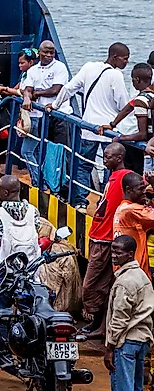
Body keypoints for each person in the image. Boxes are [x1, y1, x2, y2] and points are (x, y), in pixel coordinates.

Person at [58, 43, 133, 198]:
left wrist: (53, 105)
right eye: (124, 59)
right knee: (111, 167)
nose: (126, 62)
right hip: (109, 129)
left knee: (83, 165)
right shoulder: (116, 75)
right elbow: (122, 104)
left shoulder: (89, 67)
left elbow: (68, 88)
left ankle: (80, 200)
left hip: (89, 127)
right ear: (115, 57)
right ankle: (106, 197)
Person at [82, 143, 135, 338]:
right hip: (98, 235)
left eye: (108, 156)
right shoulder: (111, 177)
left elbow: (140, 188)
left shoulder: (124, 176)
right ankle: (99, 325)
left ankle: (100, 323)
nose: (104, 160)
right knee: (103, 285)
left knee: (93, 285)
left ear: (119, 157)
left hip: (106, 239)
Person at [105, 234, 154, 391]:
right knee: (136, 386)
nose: (113, 256)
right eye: (112, 251)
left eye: (118, 252)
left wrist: (110, 348)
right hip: (142, 341)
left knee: (123, 387)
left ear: (130, 254)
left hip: (126, 342)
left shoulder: (124, 282)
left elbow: (120, 319)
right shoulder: (142, 276)